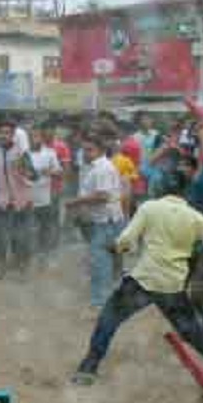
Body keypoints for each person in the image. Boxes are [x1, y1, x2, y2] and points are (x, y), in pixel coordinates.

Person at [71, 168, 203, 385]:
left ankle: (88, 368)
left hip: (143, 280)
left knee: (109, 319)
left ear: (161, 188)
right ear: (185, 192)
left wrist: (115, 248)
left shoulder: (149, 208)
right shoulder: (197, 219)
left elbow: (126, 241)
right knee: (192, 332)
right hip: (172, 286)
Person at [65, 133, 125, 310]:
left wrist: (74, 202)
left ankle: (100, 304)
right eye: (84, 149)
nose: (85, 153)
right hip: (106, 221)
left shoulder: (102, 169)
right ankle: (110, 299)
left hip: (106, 223)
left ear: (100, 150)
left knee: (100, 264)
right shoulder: (96, 167)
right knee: (108, 263)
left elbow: (103, 196)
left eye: (89, 150)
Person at [0, 120, 36, 278]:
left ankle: (23, 267)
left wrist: (25, 170)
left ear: (13, 135)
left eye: (8, 132)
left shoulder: (21, 152)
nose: (4, 135)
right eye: (1, 132)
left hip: (22, 200)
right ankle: (2, 266)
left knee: (21, 237)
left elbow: (33, 175)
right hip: (2, 200)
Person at [29, 128, 64, 261]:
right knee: (28, 226)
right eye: (32, 136)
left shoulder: (50, 153)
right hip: (27, 197)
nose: (35, 139)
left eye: (37, 136)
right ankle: (30, 253)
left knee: (45, 225)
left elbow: (59, 172)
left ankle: (44, 253)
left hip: (44, 197)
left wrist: (49, 172)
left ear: (42, 138)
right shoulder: (24, 154)